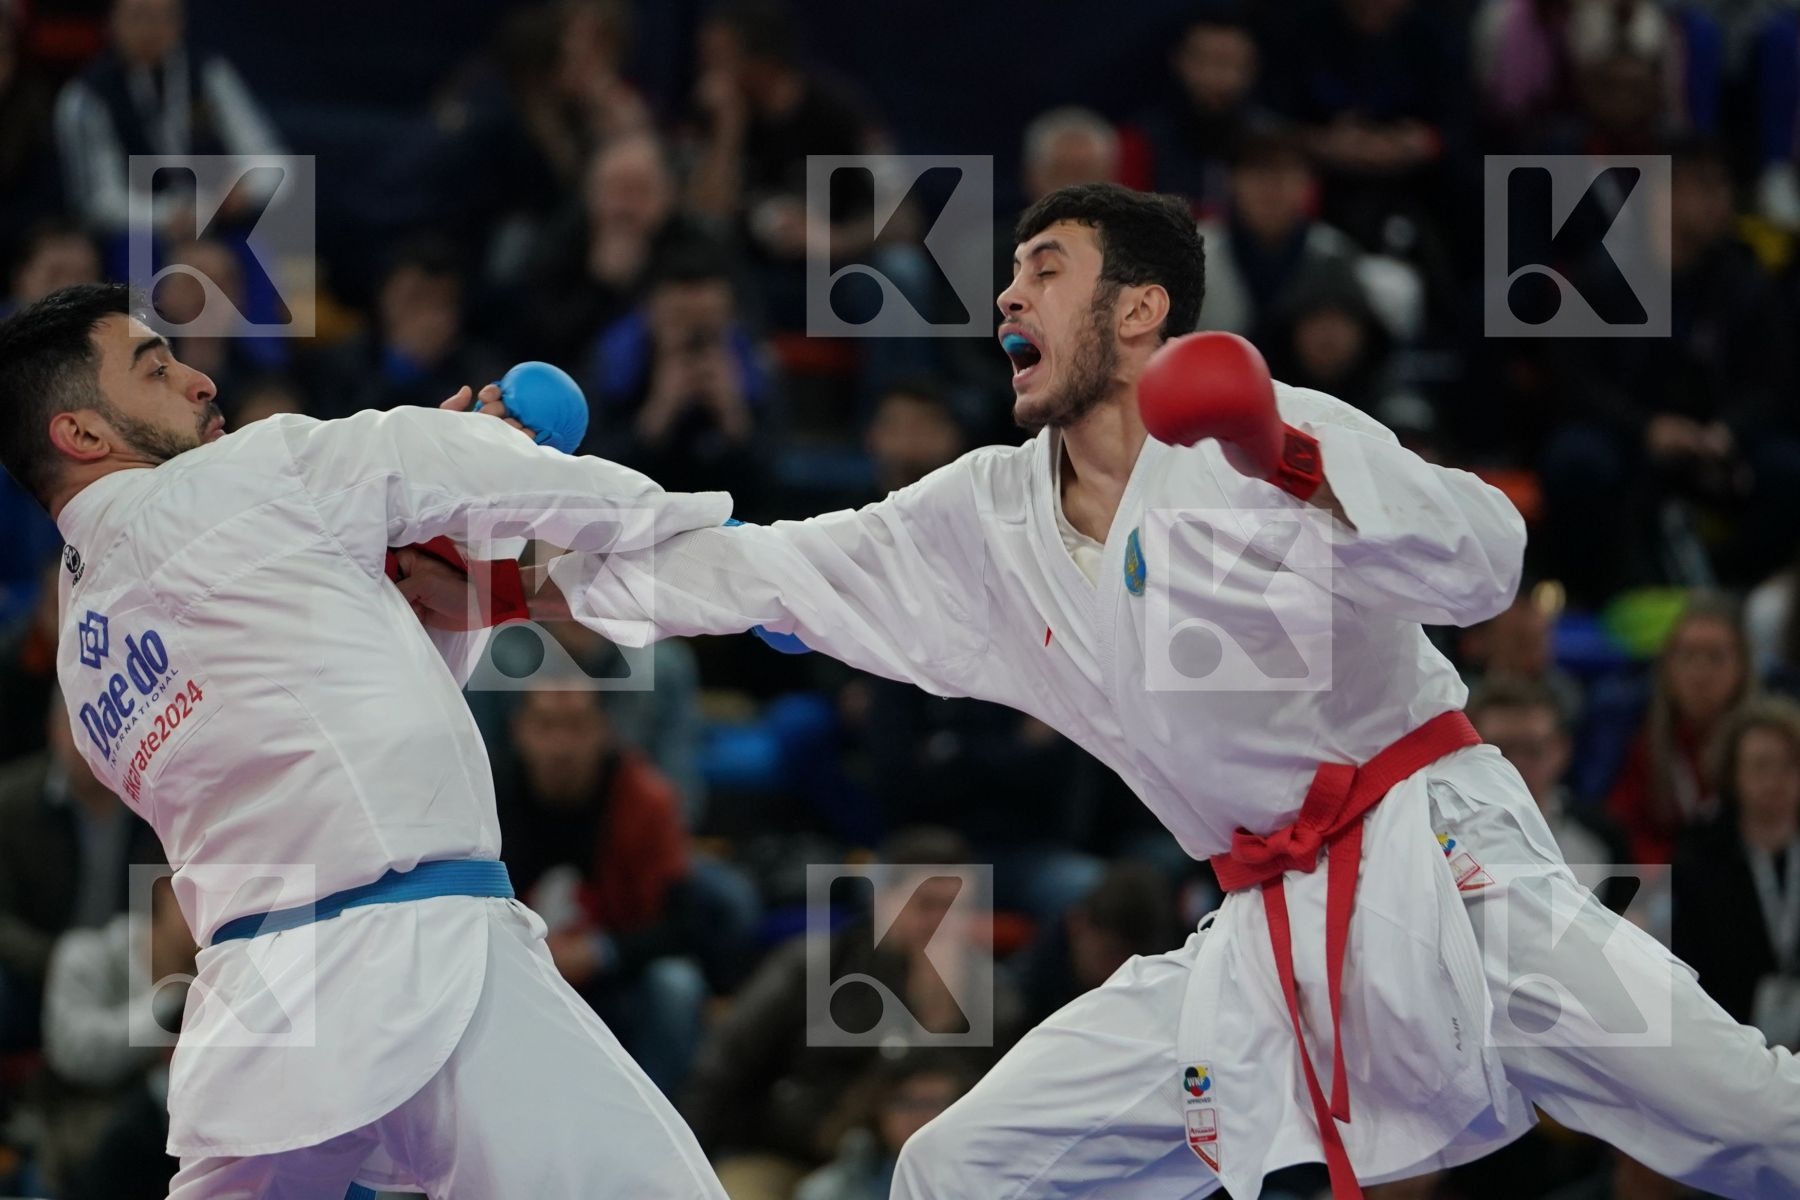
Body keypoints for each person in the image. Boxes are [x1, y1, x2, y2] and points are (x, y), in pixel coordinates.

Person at [468, 182, 1800, 1197]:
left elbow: (1485, 558)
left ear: (1142, 309)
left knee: (1755, 1120)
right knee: (957, 1167)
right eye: (1005, 279)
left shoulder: (1256, 429)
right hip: (1259, 932)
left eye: (1044, 271)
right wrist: (541, 568)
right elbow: (765, 570)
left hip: (1452, 871)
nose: (1005, 301)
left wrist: (1281, 453)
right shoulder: (985, 517)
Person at [0, 283, 732, 1197]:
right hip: (419, 949)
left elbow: (356, 699)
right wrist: (705, 532)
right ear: (82, 435)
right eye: (155, 369)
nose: (197, 381)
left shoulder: (86, 657)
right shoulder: (237, 477)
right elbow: (420, 455)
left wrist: (415, 549)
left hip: (259, 1012)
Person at [498, 685, 710, 1096]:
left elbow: (684, 924)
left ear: (604, 731)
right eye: (545, 726)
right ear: (518, 731)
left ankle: (667, 1128)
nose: (561, 745)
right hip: (517, 967)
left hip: (618, 972)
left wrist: (600, 952)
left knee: (676, 985)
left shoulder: (647, 800)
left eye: (577, 727)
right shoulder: (485, 797)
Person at [52, 0, 286, 238]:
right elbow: (99, 201)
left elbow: (270, 158)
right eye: (139, 16)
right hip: (139, 234)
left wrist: (249, 188)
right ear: (112, 22)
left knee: (288, 226)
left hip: (221, 223)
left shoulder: (208, 73)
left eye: (166, 17)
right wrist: (166, 216)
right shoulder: (86, 96)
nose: (152, 28)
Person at [1671, 698, 1800, 1038]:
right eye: (1761, 766)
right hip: (1728, 1036)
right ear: (1733, 774)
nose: (1775, 780)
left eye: (1788, 766)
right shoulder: (1699, 858)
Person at [1606, 594, 1753, 865]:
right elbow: (1621, 829)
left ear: (1742, 667)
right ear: (1667, 667)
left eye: (1715, 657)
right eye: (1687, 656)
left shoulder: (1765, 745)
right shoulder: (1642, 740)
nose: (1700, 672)